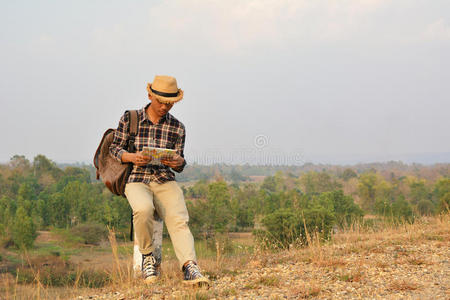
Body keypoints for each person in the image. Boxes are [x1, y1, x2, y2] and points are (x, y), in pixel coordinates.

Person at [109, 75, 210, 286]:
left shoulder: (177, 127)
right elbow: (114, 148)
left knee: (179, 218)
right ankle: (148, 258)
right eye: (161, 102)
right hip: (136, 177)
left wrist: (178, 162)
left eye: (169, 103)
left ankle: (190, 267)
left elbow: (180, 162)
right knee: (143, 209)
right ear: (150, 96)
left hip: (164, 178)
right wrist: (131, 157)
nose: (165, 107)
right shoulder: (131, 118)